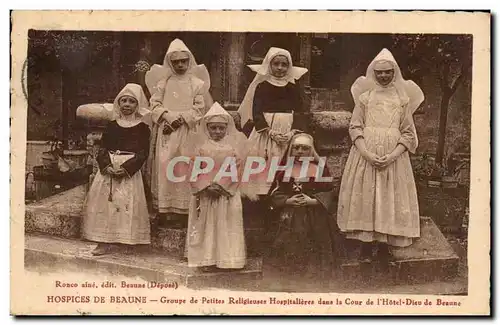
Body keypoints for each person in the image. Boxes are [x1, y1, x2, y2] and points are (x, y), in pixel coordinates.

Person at [337, 48, 425, 264]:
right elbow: (355, 127)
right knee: (367, 194)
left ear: (394, 73)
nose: (383, 76)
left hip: (392, 156)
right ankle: (367, 245)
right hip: (365, 154)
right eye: (379, 73)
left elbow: (408, 133)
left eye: (387, 72)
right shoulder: (365, 98)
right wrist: (366, 153)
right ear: (373, 74)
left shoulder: (402, 99)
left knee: (388, 195)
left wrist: (393, 155)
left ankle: (384, 245)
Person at [145, 38, 212, 228]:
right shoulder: (164, 83)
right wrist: (166, 117)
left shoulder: (196, 83)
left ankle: (184, 211)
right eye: (176, 62)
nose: (180, 65)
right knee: (166, 167)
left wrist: (179, 120)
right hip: (166, 131)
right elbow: (155, 104)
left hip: (187, 131)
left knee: (184, 168)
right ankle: (165, 210)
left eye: (184, 61)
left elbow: (199, 109)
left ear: (189, 61)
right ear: (170, 62)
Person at [83, 83, 152, 256]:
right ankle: (103, 241)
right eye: (124, 101)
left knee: (127, 205)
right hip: (109, 172)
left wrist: (127, 168)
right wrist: (106, 166)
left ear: (138, 105)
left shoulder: (143, 128)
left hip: (128, 172)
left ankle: (127, 240)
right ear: (118, 103)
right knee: (106, 205)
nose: (127, 105)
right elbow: (103, 148)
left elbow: (143, 153)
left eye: (132, 101)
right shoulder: (112, 125)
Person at [237, 47, 309, 198]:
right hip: (266, 133)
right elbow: (256, 111)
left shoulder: (293, 87)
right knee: (263, 163)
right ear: (269, 65)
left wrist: (293, 132)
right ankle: (262, 199)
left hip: (288, 131)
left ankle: (283, 196)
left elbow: (301, 111)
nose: (280, 68)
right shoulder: (262, 86)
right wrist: (270, 132)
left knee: (285, 162)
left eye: (284, 65)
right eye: (276, 64)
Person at [184, 102, 247, 271]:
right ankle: (206, 260)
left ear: (227, 128)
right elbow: (194, 171)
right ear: (207, 129)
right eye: (213, 128)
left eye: (221, 128)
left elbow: (237, 170)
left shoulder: (233, 149)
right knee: (206, 227)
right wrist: (206, 186)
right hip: (206, 195)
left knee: (226, 225)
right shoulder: (200, 148)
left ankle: (228, 260)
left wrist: (222, 186)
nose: (217, 132)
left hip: (226, 195)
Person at [268, 133, 338, 281]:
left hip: (314, 215)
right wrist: (287, 200)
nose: (300, 151)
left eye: (304, 148)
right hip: (290, 214)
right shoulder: (284, 169)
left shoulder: (320, 169)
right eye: (296, 148)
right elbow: (275, 192)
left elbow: (330, 191)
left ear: (311, 151)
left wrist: (313, 201)